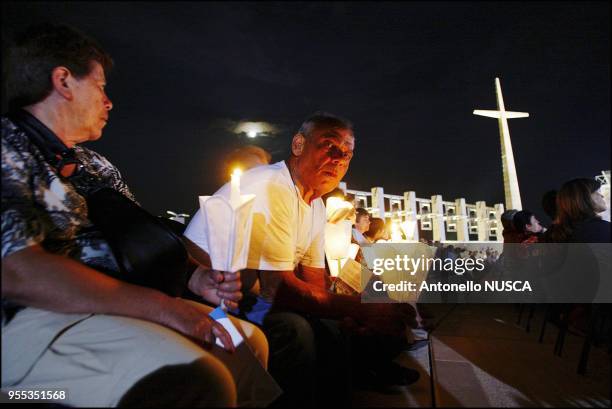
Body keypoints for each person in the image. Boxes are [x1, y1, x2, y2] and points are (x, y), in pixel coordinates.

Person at [1, 23, 270, 407]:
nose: (109, 102)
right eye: (100, 87)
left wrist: (195, 278)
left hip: (109, 303)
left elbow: (138, 235)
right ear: (62, 80)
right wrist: (165, 308)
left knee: (246, 342)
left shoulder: (94, 165)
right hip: (35, 316)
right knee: (197, 379)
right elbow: (14, 269)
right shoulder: (8, 146)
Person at [184, 112, 419, 406]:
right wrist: (362, 310)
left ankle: (353, 381)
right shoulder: (272, 185)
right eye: (329, 146)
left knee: (334, 324)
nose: (339, 158)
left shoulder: (316, 205)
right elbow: (279, 288)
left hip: (252, 295)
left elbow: (314, 282)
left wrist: (350, 312)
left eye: (347, 153)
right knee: (295, 330)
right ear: (298, 145)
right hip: (211, 293)